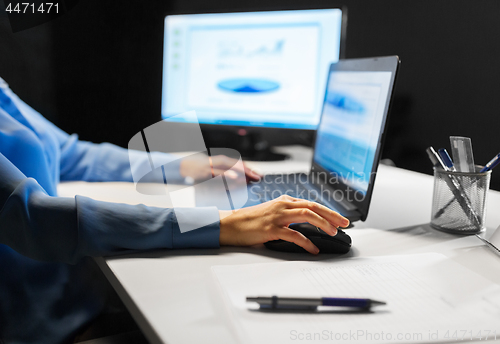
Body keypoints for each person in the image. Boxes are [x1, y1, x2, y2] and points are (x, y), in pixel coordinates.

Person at [0, 77, 349, 343]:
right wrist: (224, 224)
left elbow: (73, 155)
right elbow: (34, 218)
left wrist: (185, 167)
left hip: (79, 299)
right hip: (40, 327)